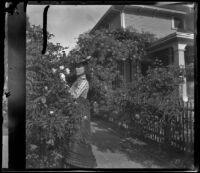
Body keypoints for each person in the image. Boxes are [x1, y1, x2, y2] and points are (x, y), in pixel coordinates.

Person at [64, 56, 97, 168]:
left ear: (85, 68)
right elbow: (69, 92)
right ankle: (72, 160)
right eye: (76, 66)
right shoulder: (77, 80)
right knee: (74, 131)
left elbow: (74, 95)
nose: (77, 68)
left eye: (80, 66)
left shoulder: (84, 82)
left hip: (81, 110)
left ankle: (81, 161)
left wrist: (66, 88)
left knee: (79, 133)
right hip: (76, 108)